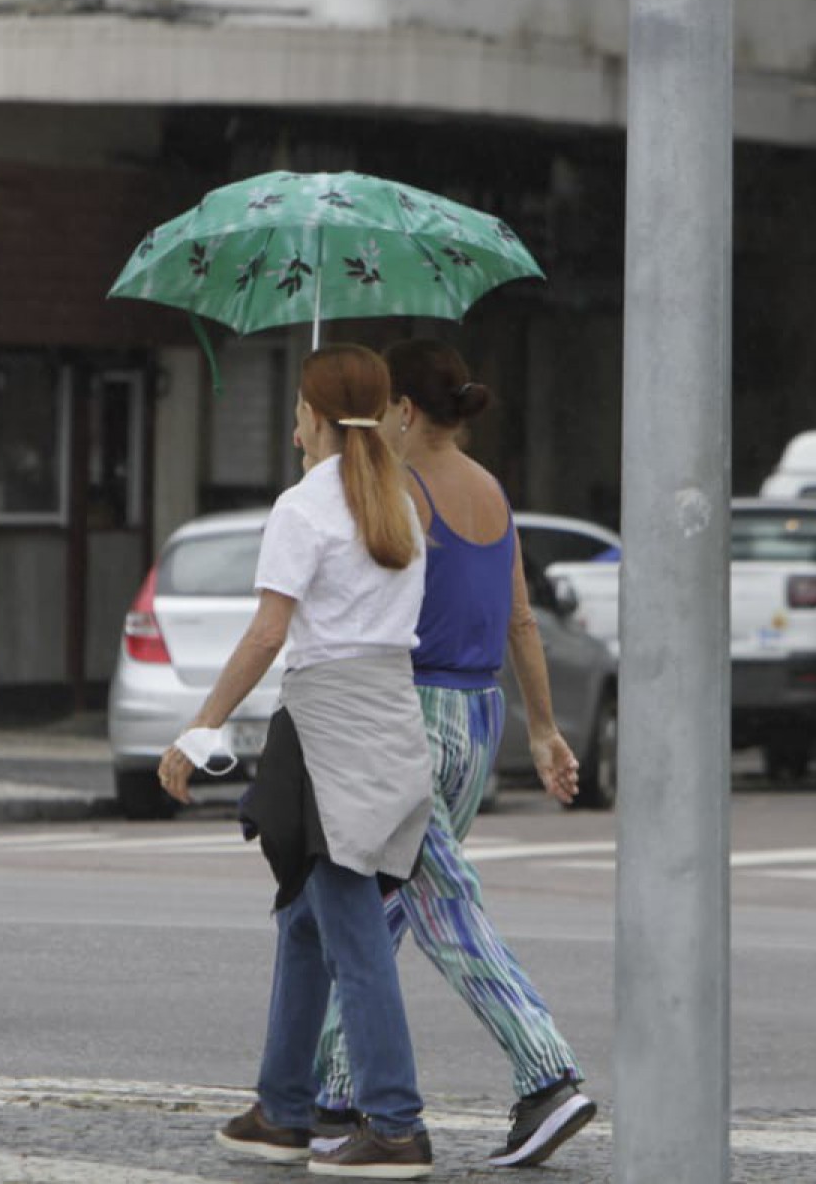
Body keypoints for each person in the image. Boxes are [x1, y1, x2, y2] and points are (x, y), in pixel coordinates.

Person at [311, 338, 596, 1170]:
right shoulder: (495, 494)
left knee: (439, 903)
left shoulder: (404, 489)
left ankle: (547, 1073)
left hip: (414, 712)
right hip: (481, 716)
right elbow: (522, 622)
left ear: (402, 410)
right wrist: (542, 730)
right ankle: (334, 1091)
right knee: (383, 903)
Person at [157, 344, 438, 1179]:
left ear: (314, 417)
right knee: (308, 917)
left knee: (350, 927)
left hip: (325, 723)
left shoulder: (303, 508)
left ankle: (396, 1123)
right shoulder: (401, 502)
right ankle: (282, 1106)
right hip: (388, 714)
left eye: (295, 410)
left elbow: (271, 632)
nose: (290, 425)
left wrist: (200, 726)